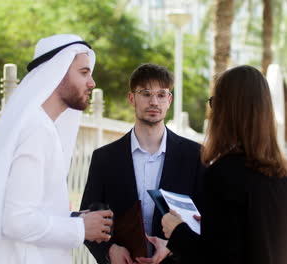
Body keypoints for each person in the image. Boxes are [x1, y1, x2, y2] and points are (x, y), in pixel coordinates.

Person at [0, 34, 113, 264]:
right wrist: (80, 228)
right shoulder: (36, 130)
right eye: (83, 73)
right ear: (56, 72)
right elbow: (16, 220)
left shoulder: (40, 126)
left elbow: (32, 209)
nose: (92, 83)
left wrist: (73, 219)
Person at [161, 65, 287, 264]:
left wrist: (177, 231)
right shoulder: (284, 178)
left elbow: (215, 257)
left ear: (226, 111)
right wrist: (211, 225)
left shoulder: (223, 174)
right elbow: (286, 241)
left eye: (214, 103)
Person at [80, 63, 205, 264]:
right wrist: (109, 250)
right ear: (132, 98)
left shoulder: (195, 156)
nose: (154, 101)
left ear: (169, 100)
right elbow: (88, 219)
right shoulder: (104, 158)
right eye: (146, 93)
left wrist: (172, 248)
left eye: (161, 94)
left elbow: (206, 222)